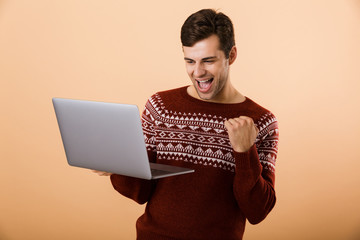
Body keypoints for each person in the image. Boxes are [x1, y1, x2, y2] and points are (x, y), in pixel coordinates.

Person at [95, 9, 279, 240]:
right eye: (190, 61)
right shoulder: (159, 107)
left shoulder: (261, 122)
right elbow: (142, 191)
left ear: (231, 56)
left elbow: (258, 211)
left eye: (208, 61)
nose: (198, 72)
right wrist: (118, 166)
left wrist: (244, 152)